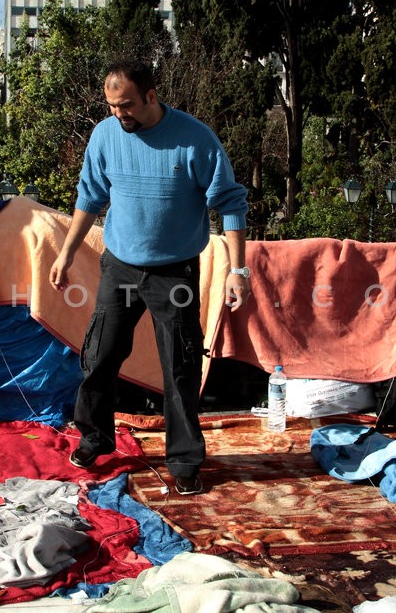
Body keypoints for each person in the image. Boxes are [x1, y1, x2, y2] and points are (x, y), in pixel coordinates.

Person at [49, 59, 251, 496]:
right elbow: (90, 194)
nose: (118, 115)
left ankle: (183, 460)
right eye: (111, 107)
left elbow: (230, 203)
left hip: (174, 271)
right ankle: (94, 438)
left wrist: (238, 270)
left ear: (151, 97)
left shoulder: (195, 140)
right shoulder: (105, 135)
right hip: (119, 266)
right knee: (99, 355)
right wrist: (65, 254)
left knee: (179, 368)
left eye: (126, 106)